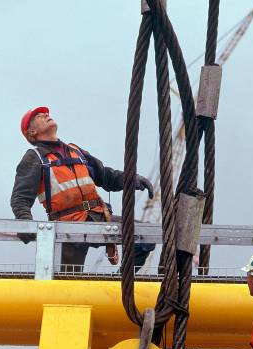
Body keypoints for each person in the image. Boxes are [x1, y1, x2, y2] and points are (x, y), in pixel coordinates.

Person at [11, 106, 155, 268]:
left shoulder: (76, 152)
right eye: (38, 116)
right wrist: (25, 223)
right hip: (68, 228)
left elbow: (105, 176)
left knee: (145, 235)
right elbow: (20, 198)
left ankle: (122, 285)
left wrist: (131, 179)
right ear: (31, 132)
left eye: (46, 113)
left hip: (99, 217)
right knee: (67, 285)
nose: (45, 114)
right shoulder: (34, 158)